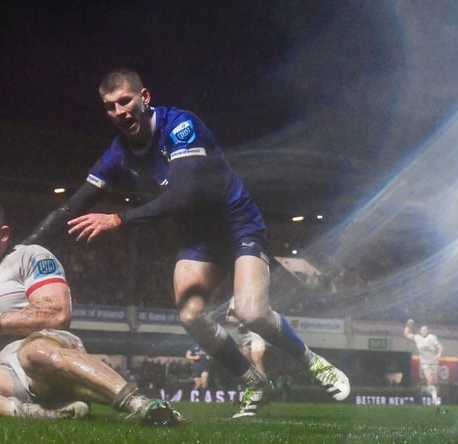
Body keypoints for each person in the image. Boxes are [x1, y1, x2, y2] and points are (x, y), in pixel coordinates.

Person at [23, 68, 350, 419]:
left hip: (237, 224)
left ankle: (312, 362)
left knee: (251, 311)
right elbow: (73, 205)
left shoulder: (180, 126)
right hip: (198, 238)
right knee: (191, 315)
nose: (119, 112)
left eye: (125, 101)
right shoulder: (118, 152)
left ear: (144, 98)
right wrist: (23, 247)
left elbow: (185, 196)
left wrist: (119, 219)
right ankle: (253, 382)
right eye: (109, 107)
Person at [0, 199, 182, 425]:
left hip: (45, 357)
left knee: (35, 352)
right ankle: (35, 414)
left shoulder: (30, 257)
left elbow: (57, 313)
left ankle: (142, 404)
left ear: (3, 234)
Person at [404, 319, 443, 406]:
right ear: (420, 331)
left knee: (435, 382)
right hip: (425, 363)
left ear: (427, 331)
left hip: (434, 362)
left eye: (425, 329)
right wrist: (408, 325)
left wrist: (439, 354)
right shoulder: (417, 338)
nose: (424, 331)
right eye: (422, 330)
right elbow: (406, 334)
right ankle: (435, 399)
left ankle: (429, 389)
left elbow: (440, 346)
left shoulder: (432, 337)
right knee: (430, 380)